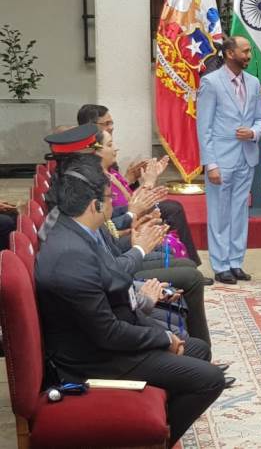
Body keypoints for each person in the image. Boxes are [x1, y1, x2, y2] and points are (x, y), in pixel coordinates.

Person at [34, 155, 225, 445]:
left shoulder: (77, 231)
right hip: (93, 360)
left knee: (196, 349)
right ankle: (155, 438)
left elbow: (112, 282)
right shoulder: (71, 255)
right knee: (210, 379)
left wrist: (159, 330)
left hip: (103, 338)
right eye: (110, 198)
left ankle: (158, 428)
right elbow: (108, 333)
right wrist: (162, 337)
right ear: (94, 205)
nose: (114, 205)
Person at [77, 103, 203, 267]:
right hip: (118, 227)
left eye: (111, 123)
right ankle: (187, 267)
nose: (111, 128)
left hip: (124, 215)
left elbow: (121, 192)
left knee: (171, 208)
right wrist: (147, 185)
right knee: (170, 217)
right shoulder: (92, 174)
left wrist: (131, 180)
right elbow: (111, 211)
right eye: (106, 124)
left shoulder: (107, 165)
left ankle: (189, 265)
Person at [196, 36, 261, 284]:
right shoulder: (211, 83)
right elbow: (203, 128)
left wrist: (254, 132)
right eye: (245, 51)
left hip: (246, 157)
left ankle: (236, 261)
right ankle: (220, 264)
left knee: (239, 213)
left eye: (249, 51)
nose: (248, 55)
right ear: (229, 53)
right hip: (221, 160)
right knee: (219, 213)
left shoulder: (254, 82)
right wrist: (210, 164)